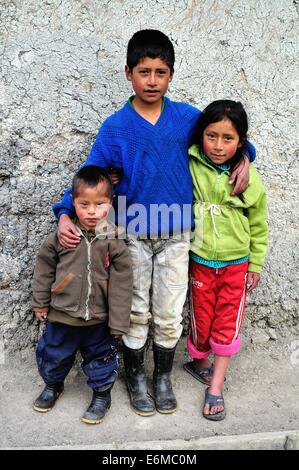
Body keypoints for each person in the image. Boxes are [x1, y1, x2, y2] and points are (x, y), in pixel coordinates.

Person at [52, 30, 256, 417]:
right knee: (135, 311)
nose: (151, 80)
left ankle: (162, 377)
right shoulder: (116, 127)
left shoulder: (187, 119)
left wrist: (246, 156)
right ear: (128, 72)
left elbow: (223, 140)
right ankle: (137, 378)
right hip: (132, 235)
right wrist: (65, 211)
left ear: (171, 75)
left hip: (178, 235)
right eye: (143, 71)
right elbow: (89, 176)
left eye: (160, 72)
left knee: (169, 309)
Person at [184, 100, 268, 420]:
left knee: (227, 323)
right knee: (201, 318)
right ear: (201, 135)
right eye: (211, 136)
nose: (218, 146)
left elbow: (259, 225)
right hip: (201, 260)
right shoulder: (191, 162)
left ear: (241, 143)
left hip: (236, 264)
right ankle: (200, 363)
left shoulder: (248, 177)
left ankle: (216, 387)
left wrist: (255, 264)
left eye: (228, 139)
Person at [32, 166, 133, 424]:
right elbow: (43, 269)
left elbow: (122, 281)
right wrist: (40, 302)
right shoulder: (61, 236)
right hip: (62, 315)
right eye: (83, 204)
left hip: (99, 318)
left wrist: (119, 321)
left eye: (99, 204)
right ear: (73, 204)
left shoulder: (113, 239)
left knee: (102, 358)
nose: (91, 211)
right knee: (53, 354)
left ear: (110, 204)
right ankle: (53, 385)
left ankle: (101, 394)